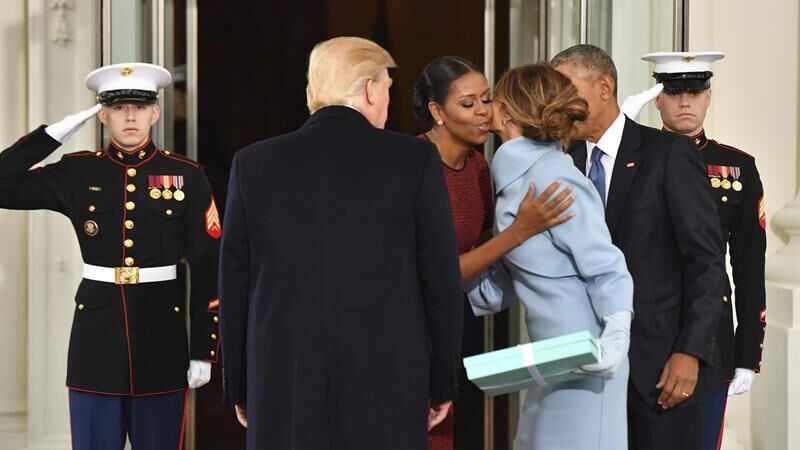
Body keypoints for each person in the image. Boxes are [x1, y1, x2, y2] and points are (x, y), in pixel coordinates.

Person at [218, 36, 464, 450]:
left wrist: (239, 385)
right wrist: (442, 382)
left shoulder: (253, 163)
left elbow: (234, 283)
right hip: (388, 376)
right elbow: (439, 280)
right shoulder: (415, 159)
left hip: (283, 376)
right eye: (387, 87)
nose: (387, 99)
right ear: (370, 89)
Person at [0, 62, 220, 449]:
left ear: (155, 113)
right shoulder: (78, 172)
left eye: (140, 107)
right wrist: (54, 135)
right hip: (95, 345)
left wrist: (204, 349)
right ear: (102, 116)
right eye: (118, 108)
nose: (130, 116)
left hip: (161, 343)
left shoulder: (186, 175)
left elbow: (208, 265)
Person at [551, 44, 727, 450]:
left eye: (565, 90)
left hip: (660, 369)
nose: (557, 104)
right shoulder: (563, 162)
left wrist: (690, 351)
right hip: (586, 370)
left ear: (604, 87)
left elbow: (705, 260)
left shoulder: (669, 153)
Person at [467, 62, 634, 449]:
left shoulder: (552, 176)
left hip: (590, 356)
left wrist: (616, 338)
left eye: (493, 99)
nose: (486, 107)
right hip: (551, 359)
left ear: (508, 112)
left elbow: (606, 266)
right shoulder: (515, 178)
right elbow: (505, 284)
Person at [411, 56, 575, 450]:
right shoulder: (410, 165)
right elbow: (433, 273)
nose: (484, 112)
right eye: (468, 104)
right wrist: (520, 232)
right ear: (437, 112)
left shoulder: (480, 167)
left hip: (459, 321)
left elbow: (485, 241)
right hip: (413, 326)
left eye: (487, 99)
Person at [641, 51, 767, 450]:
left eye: (695, 92)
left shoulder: (737, 168)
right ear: (657, 99)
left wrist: (747, 354)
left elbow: (749, 266)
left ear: (709, 97)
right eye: (673, 93)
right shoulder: (634, 159)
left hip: (711, 334)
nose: (685, 102)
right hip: (644, 329)